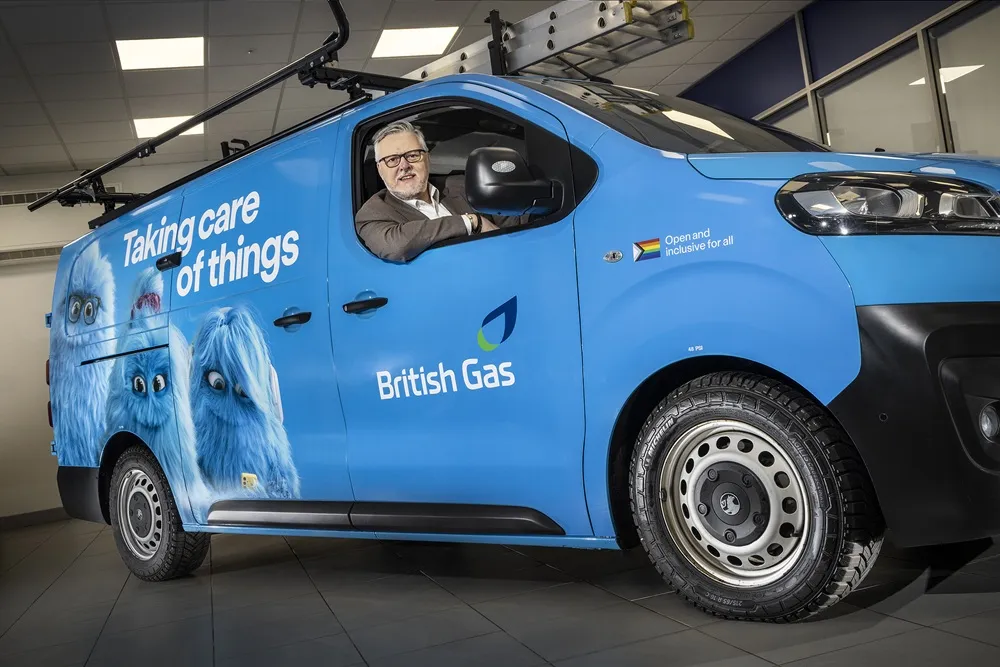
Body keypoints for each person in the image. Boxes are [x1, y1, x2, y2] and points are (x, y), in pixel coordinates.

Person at [355, 121, 525, 263]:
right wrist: (471, 222)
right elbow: (397, 246)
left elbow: (516, 222)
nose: (404, 166)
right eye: (392, 160)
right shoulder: (372, 214)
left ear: (427, 158)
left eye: (413, 155)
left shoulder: (464, 186)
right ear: (379, 169)